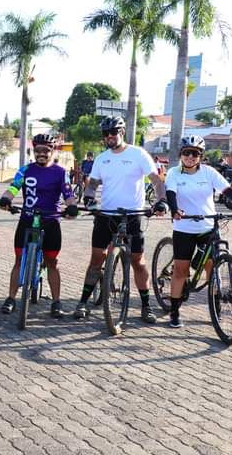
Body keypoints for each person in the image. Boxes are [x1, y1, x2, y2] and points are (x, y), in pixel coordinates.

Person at [164, 135, 232, 328]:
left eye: (195, 153)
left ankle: (216, 306)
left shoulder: (209, 173)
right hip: (184, 228)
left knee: (212, 269)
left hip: (208, 227)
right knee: (180, 271)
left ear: (201, 156)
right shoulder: (174, 173)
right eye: (186, 153)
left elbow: (228, 191)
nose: (190, 157)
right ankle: (175, 311)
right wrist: (175, 209)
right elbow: (171, 193)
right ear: (181, 154)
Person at [74, 116, 168, 322]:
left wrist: (161, 201)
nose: (109, 137)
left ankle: (145, 305)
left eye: (113, 132)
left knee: (138, 261)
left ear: (122, 132)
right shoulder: (101, 158)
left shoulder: (138, 154)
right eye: (106, 134)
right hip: (106, 215)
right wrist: (89, 197)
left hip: (133, 214)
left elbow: (157, 180)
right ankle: (83, 302)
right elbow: (93, 184)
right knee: (96, 260)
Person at [0, 133, 78, 318]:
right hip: (27, 218)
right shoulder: (25, 170)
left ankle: (56, 302)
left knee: (52, 263)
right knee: (18, 260)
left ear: (52, 151)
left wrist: (71, 207)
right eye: (37, 150)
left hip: (51, 220)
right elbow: (13, 188)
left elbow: (68, 194)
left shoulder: (60, 172)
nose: (41, 153)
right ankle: (11, 298)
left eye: (45, 150)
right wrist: (5, 199)